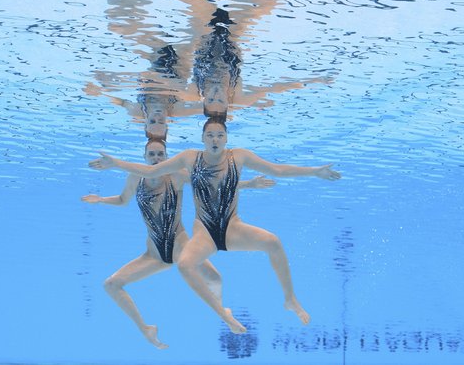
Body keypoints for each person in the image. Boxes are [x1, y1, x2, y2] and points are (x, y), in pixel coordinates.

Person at [88, 117, 341, 334]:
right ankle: (223, 314)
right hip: (204, 233)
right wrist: (117, 164)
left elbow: (277, 170)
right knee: (186, 265)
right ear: (202, 138)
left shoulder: (239, 156)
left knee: (273, 242)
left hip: (233, 227)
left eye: (220, 134)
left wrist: (314, 171)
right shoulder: (188, 158)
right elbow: (150, 173)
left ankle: (290, 299)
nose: (215, 139)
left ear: (227, 138)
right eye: (210, 135)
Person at [82, 138, 275, 347]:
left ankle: (224, 315)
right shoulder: (134, 178)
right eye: (152, 154)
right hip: (154, 255)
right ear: (144, 157)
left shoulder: (176, 175)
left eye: (160, 154)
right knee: (111, 285)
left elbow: (213, 185)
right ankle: (146, 329)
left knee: (215, 279)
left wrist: (250, 184)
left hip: (181, 248)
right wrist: (100, 200)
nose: (156, 158)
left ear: (166, 157)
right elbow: (122, 200)